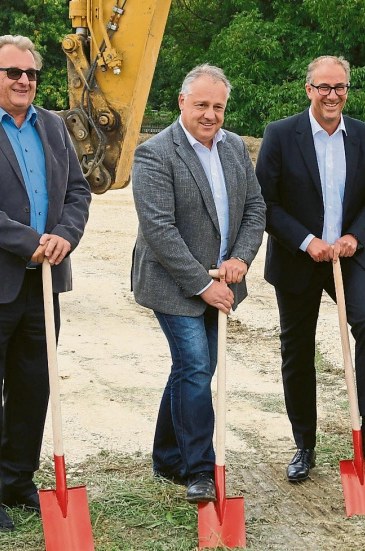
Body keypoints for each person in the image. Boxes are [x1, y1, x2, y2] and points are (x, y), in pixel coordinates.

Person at [0, 35, 92, 531]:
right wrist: (30, 240)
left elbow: (77, 189)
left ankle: (18, 479)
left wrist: (64, 237)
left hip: (43, 282)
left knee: (33, 386)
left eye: (31, 73)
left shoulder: (52, 125)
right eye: (13, 72)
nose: (24, 81)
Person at [131, 64, 266, 503]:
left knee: (194, 369)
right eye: (202, 105)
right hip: (173, 281)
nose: (211, 115)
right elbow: (159, 229)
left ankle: (167, 457)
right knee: (194, 366)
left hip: (224, 278)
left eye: (219, 107)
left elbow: (255, 208)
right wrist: (202, 284)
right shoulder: (154, 153)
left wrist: (241, 258)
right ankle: (199, 471)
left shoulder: (233, 149)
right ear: (182, 102)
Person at [257, 55, 365, 484]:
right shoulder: (280, 135)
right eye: (323, 88)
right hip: (297, 259)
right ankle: (304, 445)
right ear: (309, 89)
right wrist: (306, 240)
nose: (332, 95)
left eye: (340, 88)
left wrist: (354, 237)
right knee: (298, 351)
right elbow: (266, 203)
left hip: (347, 258)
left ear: (347, 90)